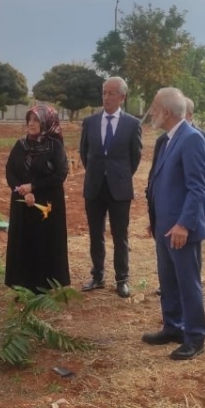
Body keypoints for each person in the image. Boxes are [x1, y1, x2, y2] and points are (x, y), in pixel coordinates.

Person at [143, 87, 205, 360]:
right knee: (168, 279)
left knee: (187, 282)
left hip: (182, 228)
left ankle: (195, 336)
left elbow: (198, 188)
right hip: (165, 225)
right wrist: (155, 220)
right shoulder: (169, 138)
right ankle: (173, 326)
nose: (151, 113)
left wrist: (184, 224)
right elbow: (162, 183)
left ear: (167, 112)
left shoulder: (192, 139)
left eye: (154, 108)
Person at [79, 77, 143, 298]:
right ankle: (97, 275)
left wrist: (120, 175)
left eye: (111, 93)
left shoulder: (132, 124)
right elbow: (84, 153)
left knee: (120, 235)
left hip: (119, 188)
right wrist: (98, 172)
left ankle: (122, 279)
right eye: (104, 93)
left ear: (122, 97)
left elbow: (135, 157)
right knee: (96, 234)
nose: (106, 97)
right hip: (94, 186)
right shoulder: (89, 123)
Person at [5, 105, 70, 293]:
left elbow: (60, 174)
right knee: (23, 243)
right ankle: (23, 287)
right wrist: (23, 191)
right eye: (30, 120)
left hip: (46, 204)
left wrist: (33, 187)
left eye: (36, 120)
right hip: (22, 203)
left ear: (46, 123)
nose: (32, 124)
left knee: (44, 243)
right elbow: (10, 171)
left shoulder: (54, 147)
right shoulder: (20, 145)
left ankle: (44, 286)